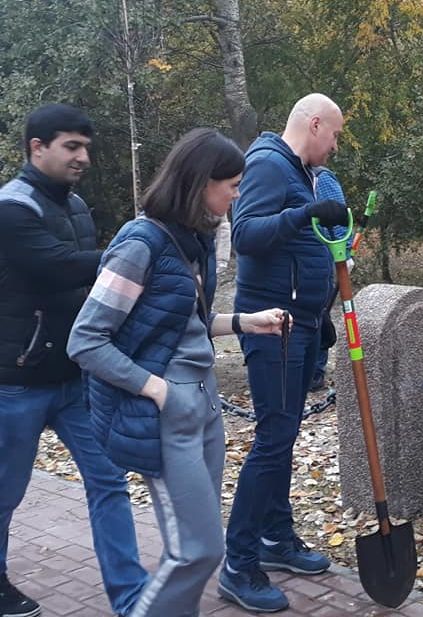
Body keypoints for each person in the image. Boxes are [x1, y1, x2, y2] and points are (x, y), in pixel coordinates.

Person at [68, 128, 287, 616]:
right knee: (196, 551)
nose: (236, 194)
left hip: (203, 408)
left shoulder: (196, 240)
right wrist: (159, 391)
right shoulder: (141, 243)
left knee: (198, 550)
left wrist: (244, 323)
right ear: (198, 182)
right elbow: (85, 340)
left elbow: (177, 323)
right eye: (230, 184)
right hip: (168, 416)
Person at [0, 103, 147, 617]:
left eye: (86, 146)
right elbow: (58, 267)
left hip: (75, 379)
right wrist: (140, 252)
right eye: (71, 146)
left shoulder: (77, 205)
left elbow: (93, 288)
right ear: (36, 148)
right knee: (5, 493)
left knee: (109, 481)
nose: (83, 156)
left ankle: (131, 596)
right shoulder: (12, 208)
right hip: (16, 380)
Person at [223, 93, 350, 612]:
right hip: (271, 325)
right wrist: (305, 213)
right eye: (335, 135)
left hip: (301, 324)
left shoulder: (301, 171)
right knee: (273, 439)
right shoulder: (268, 164)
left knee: (285, 434)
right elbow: (245, 236)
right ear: (314, 123)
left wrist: (321, 318)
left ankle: (276, 538)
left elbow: (307, 248)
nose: (336, 146)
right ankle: (238, 563)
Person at [309, 165, 351, 394]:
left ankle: (316, 372)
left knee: (319, 316)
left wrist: (345, 253)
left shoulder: (322, 178)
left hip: (325, 258)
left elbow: (339, 217)